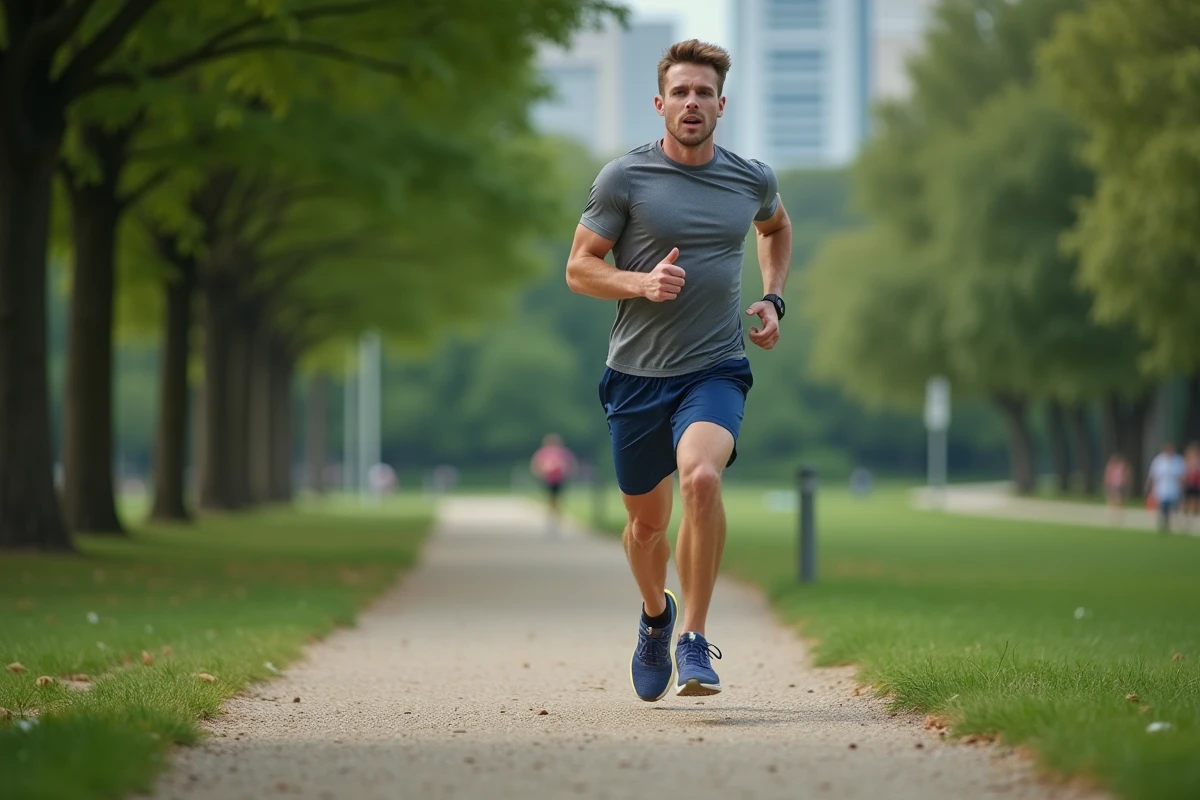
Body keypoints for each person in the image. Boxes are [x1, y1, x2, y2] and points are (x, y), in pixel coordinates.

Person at [565, 39, 792, 701]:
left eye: (704, 93)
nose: (692, 103)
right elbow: (579, 269)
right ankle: (656, 616)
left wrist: (773, 297)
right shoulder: (624, 179)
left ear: (722, 105)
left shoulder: (751, 178)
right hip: (635, 375)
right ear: (660, 103)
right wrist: (640, 283)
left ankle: (693, 636)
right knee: (645, 528)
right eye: (681, 92)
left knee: (701, 478)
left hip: (715, 367)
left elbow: (775, 229)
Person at [530, 434, 576, 534]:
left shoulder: (563, 453)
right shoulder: (543, 453)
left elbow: (570, 465)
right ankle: (552, 517)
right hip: (548, 480)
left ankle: (556, 518)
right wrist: (544, 471)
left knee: (557, 500)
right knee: (551, 500)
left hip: (559, 480)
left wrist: (564, 471)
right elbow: (536, 466)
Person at [1145, 441, 1186, 534]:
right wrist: (1149, 486)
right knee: (1163, 508)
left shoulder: (1178, 461)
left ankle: (1174, 524)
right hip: (1161, 489)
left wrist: (1182, 487)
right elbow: (1152, 475)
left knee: (1174, 508)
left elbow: (1182, 476)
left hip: (1174, 489)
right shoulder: (1158, 460)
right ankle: (1163, 524)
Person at [1103, 453, 1129, 524]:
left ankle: (1118, 516)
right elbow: (1108, 476)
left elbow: (1124, 476)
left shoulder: (1121, 467)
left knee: (1119, 500)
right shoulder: (1111, 467)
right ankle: (1112, 516)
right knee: (1112, 501)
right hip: (1113, 485)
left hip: (1119, 485)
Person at [1183, 442, 1200, 529]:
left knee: (1196, 500)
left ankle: (1195, 516)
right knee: (1188, 500)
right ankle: (1187, 517)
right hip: (1189, 484)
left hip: (1196, 484)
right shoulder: (1187, 462)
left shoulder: (1197, 462)